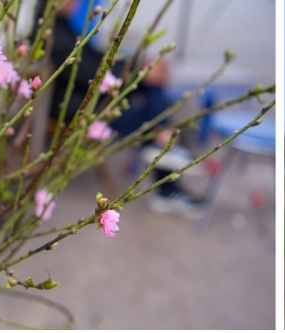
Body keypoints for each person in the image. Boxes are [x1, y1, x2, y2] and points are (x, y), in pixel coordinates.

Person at [44, 0, 202, 216]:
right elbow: (85, 72)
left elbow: (94, 59)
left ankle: (161, 142)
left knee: (152, 90)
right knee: (146, 108)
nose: (77, 2)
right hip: (79, 111)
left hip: (93, 97)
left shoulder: (63, 25)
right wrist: (139, 74)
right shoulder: (47, 32)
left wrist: (141, 68)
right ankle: (163, 149)